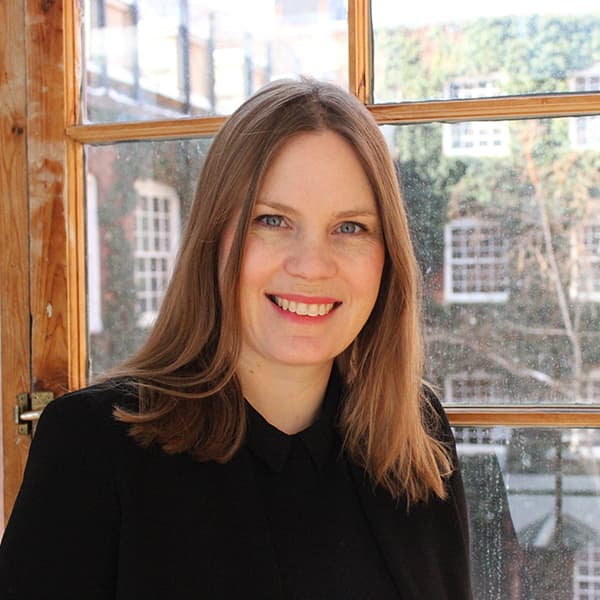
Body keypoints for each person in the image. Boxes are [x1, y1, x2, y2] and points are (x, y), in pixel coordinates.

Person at [0, 78, 472, 599]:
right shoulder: (94, 445)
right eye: (272, 220)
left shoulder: (414, 433)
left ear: (389, 256)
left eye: (351, 227)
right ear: (213, 239)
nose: (311, 265)